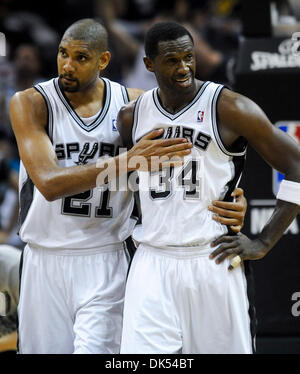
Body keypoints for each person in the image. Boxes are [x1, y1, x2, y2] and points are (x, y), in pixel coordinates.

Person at [9, 19, 246, 354]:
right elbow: (47, 183)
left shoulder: (134, 107)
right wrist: (127, 161)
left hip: (106, 257)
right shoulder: (31, 103)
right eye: (63, 53)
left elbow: (195, 164)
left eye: (80, 57)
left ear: (103, 61)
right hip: (43, 259)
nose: (67, 64)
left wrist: (230, 197)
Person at [117, 21, 300, 354]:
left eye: (189, 57)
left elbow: (296, 165)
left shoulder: (228, 106)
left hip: (212, 257)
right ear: (149, 65)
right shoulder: (132, 117)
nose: (184, 67)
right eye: (172, 61)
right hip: (152, 262)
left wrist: (264, 240)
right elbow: (127, 188)